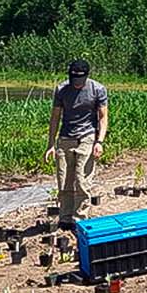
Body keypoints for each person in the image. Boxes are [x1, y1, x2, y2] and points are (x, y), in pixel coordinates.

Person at [45, 59, 109, 227]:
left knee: (82, 180)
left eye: (80, 79)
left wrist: (99, 141)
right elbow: (55, 118)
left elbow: (103, 118)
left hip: (87, 138)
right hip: (66, 138)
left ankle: (80, 218)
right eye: (74, 79)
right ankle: (65, 218)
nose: (77, 83)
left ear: (86, 77)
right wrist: (51, 144)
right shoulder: (61, 90)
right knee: (64, 179)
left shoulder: (98, 90)